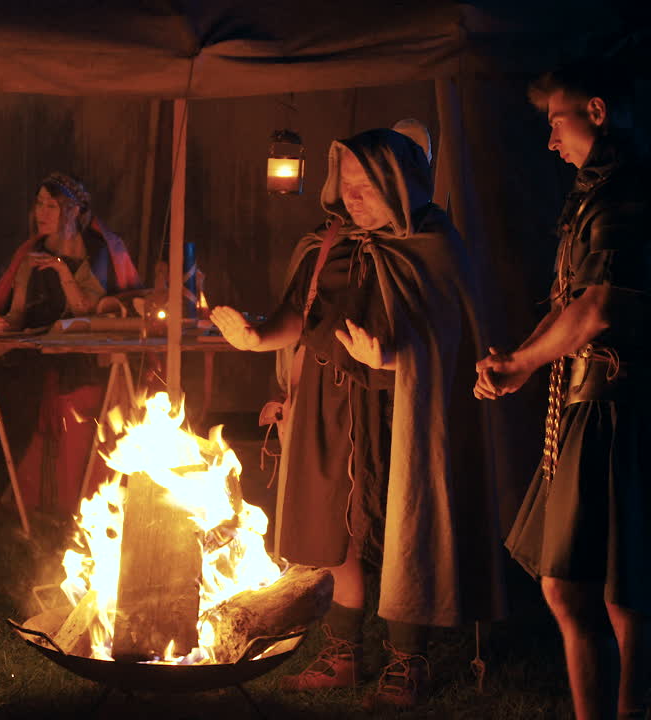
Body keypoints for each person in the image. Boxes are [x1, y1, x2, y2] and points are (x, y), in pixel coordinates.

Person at [211, 128, 504, 708]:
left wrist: (393, 358)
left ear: (399, 185)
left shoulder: (431, 244)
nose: (352, 199)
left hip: (404, 407)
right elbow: (300, 312)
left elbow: (451, 335)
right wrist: (257, 336)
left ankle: (406, 660)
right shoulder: (327, 244)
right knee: (333, 523)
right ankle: (343, 651)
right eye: (346, 186)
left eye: (366, 187)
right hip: (330, 401)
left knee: (404, 523)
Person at [476, 62, 649, 720]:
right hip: (593, 400)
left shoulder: (625, 190)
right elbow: (571, 302)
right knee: (607, 586)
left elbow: (598, 308)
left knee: (589, 586)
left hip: (617, 405)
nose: (550, 140)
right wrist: (521, 365)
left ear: (597, 111)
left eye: (557, 121)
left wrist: (523, 357)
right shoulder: (597, 192)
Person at [0, 172, 141, 512]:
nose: (40, 212)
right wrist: (4, 322)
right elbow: (15, 315)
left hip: (85, 353)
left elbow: (87, 310)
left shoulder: (101, 251)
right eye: (38, 204)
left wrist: (60, 271)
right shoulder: (31, 254)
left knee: (27, 384)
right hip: (37, 349)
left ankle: (26, 496)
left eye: (50, 206)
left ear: (71, 212)